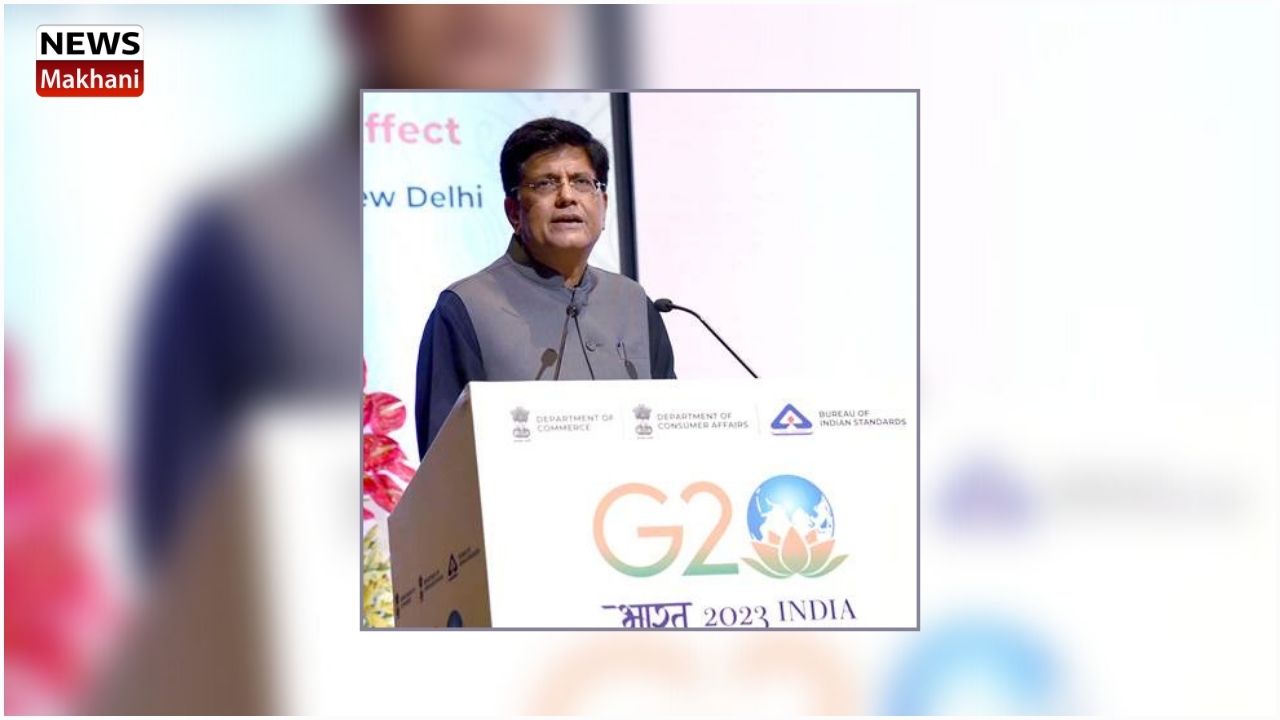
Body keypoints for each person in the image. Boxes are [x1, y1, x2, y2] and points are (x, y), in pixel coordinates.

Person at [414, 117, 675, 458]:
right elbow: (444, 463)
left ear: (603, 204)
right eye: (546, 184)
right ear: (513, 211)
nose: (567, 196)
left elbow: (671, 434)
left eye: (582, 182)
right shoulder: (466, 308)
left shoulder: (633, 302)